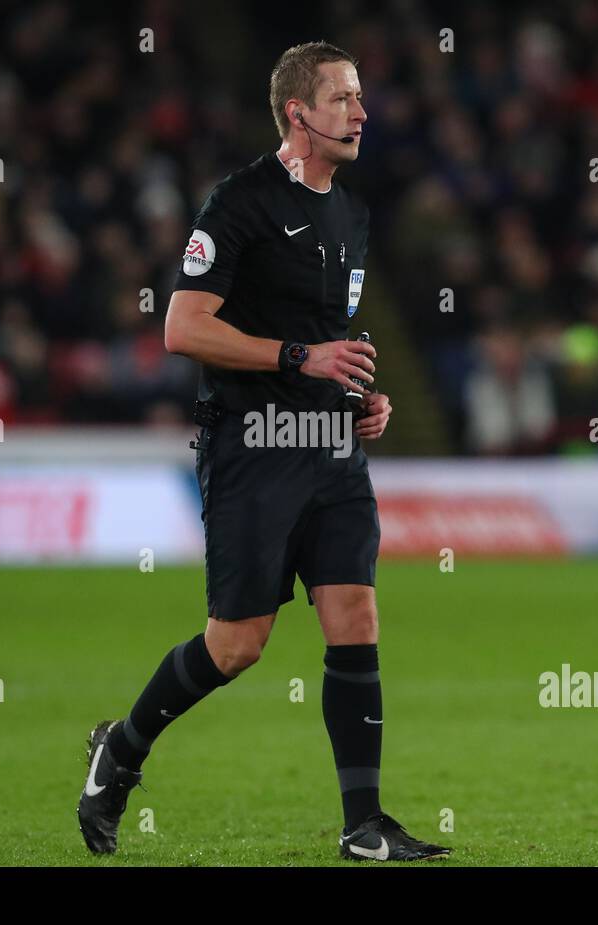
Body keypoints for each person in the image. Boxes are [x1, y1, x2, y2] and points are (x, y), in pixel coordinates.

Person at [76, 41, 449, 862]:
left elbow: (330, 340)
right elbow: (183, 328)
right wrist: (297, 359)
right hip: (252, 447)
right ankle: (123, 750)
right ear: (298, 113)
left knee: (354, 615)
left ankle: (363, 825)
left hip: (331, 447)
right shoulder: (239, 202)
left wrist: (359, 396)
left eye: (359, 96)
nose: (360, 112)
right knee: (237, 645)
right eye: (343, 98)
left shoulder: (350, 211)